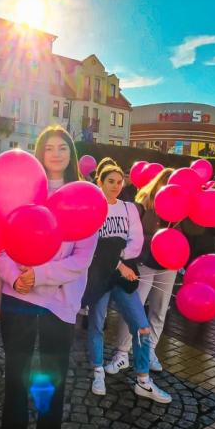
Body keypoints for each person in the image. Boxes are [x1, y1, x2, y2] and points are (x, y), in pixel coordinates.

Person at [0, 125, 97, 429]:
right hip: (18, 301)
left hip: (59, 305)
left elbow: (81, 258)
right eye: (48, 147)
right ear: (39, 153)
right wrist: (14, 275)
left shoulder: (85, 196)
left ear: (70, 153)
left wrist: (38, 275)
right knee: (15, 380)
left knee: (52, 382)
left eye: (62, 147)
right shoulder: (20, 191)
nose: (55, 153)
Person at [83, 163, 170, 403]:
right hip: (100, 276)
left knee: (141, 326)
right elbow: (92, 245)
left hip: (124, 276)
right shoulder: (93, 207)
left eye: (120, 182)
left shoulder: (129, 208)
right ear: (100, 182)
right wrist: (118, 261)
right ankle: (98, 370)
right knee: (97, 324)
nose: (116, 186)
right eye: (110, 181)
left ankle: (143, 379)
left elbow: (136, 241)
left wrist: (119, 260)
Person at [107, 167, 179, 378]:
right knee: (133, 308)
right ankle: (121, 353)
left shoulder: (182, 207)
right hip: (146, 262)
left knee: (159, 309)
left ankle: (149, 352)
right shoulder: (144, 205)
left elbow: (194, 232)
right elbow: (134, 235)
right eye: (166, 183)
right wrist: (157, 238)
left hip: (170, 265)